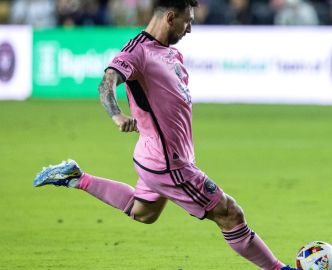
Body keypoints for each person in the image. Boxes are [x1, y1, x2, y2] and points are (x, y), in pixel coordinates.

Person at [33, 1, 297, 269]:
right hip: (167, 163)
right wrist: (117, 115)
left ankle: (77, 178)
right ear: (171, 17)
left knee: (143, 212)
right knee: (230, 213)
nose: (190, 29)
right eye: (188, 21)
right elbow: (107, 81)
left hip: (156, 156)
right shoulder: (137, 52)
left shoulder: (171, 53)